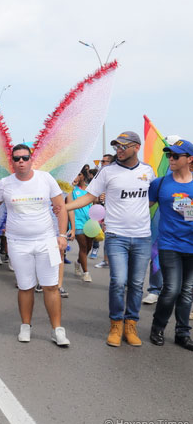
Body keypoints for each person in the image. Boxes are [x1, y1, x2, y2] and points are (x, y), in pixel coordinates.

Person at [67, 131, 155, 347]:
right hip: (116, 236)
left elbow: (151, 200)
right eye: (116, 146)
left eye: (124, 146)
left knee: (136, 283)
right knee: (118, 282)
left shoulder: (147, 171)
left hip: (143, 237)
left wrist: (137, 214)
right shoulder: (107, 172)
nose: (119, 150)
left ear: (137, 147)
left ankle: (130, 324)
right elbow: (89, 196)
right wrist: (64, 207)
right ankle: (116, 324)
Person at [0, 144, 70, 346]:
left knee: (51, 286)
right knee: (25, 287)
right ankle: (25, 326)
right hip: (18, 243)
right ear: (12, 162)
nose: (21, 161)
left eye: (24, 158)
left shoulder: (45, 179)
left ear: (31, 160)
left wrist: (62, 235)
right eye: (17, 158)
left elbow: (60, 208)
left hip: (46, 241)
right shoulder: (5, 184)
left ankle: (57, 330)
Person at [148, 140, 193, 350]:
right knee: (172, 289)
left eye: (176, 156)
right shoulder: (160, 183)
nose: (171, 159)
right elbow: (142, 207)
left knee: (187, 291)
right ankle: (158, 327)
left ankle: (182, 333)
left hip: (191, 246)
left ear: (189, 159)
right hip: (169, 244)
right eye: (169, 155)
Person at [67, 168, 95, 283]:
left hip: (90, 222)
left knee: (89, 247)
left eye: (78, 174)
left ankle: (78, 262)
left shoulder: (90, 189)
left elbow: (95, 203)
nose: (76, 177)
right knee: (83, 247)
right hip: (78, 223)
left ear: (83, 176)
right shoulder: (71, 189)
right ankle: (86, 273)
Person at [91, 154, 115, 261]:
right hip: (99, 210)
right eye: (101, 161)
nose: (102, 163)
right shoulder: (99, 176)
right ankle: (95, 248)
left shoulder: (116, 177)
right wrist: (99, 199)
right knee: (97, 231)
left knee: (110, 236)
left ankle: (107, 259)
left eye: (104, 161)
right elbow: (92, 198)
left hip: (113, 213)